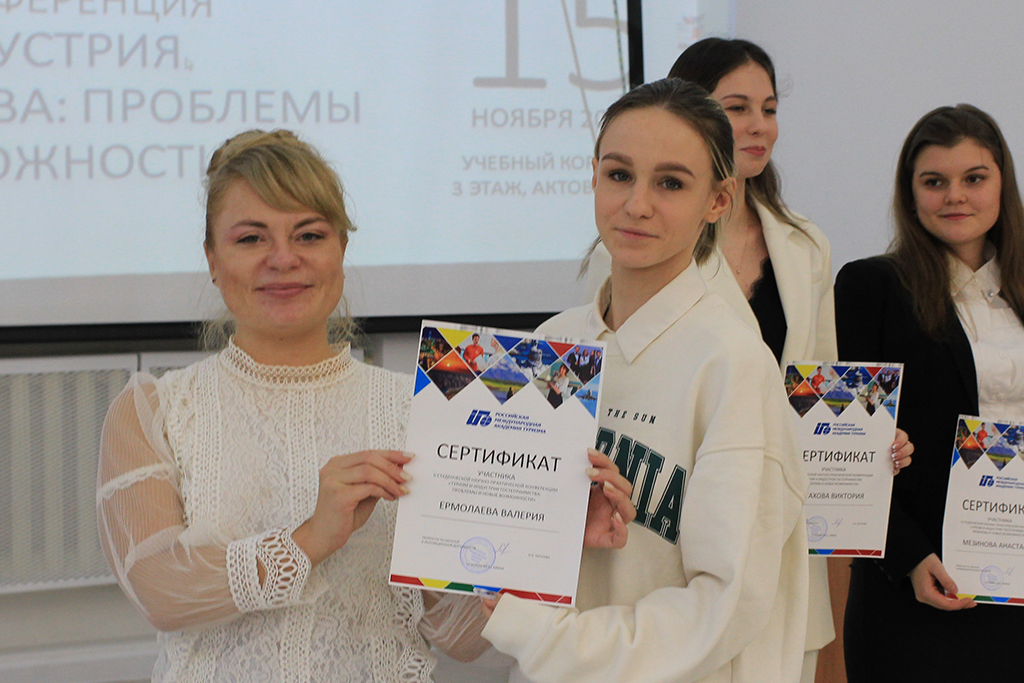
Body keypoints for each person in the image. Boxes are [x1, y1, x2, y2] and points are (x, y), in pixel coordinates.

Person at [96, 129, 635, 682]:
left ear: (341, 249)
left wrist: (549, 531)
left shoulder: (425, 405)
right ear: (213, 258)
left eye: (308, 235)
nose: (283, 259)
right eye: (251, 239)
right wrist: (311, 538)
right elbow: (160, 592)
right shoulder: (156, 410)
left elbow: (459, 638)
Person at [585, 38, 913, 682]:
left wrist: (863, 434)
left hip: (772, 520)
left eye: (769, 108)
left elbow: (822, 381)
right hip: (657, 539)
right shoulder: (629, 246)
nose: (759, 125)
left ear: (716, 195)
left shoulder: (804, 243)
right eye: (738, 108)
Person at [480, 77, 810, 683]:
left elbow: (725, 603)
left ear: (718, 200)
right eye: (619, 174)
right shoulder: (553, 343)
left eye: (671, 183)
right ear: (594, 177)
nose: (636, 204)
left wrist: (555, 639)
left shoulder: (732, 362)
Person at [835, 104, 1024, 682]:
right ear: (910, 193)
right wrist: (909, 557)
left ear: (1002, 184)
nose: (955, 196)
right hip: (920, 581)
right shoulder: (871, 286)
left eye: (974, 178)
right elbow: (851, 446)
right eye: (934, 181)